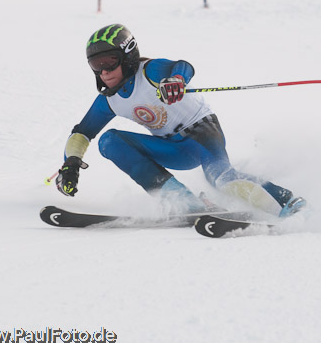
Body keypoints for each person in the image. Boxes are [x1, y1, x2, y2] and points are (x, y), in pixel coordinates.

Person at [56, 24, 305, 217]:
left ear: (128, 55)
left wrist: (176, 80)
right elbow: (82, 132)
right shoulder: (109, 100)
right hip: (171, 149)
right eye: (95, 65)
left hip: (202, 135)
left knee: (220, 179)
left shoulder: (150, 72)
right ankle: (183, 201)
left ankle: (290, 203)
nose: (104, 71)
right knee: (109, 142)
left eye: (108, 61)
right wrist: (71, 163)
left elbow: (182, 66)